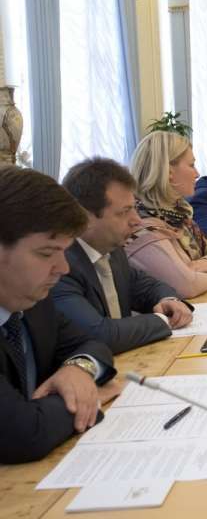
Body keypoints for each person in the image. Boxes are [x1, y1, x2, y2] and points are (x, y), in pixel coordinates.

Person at [0, 166, 120, 464]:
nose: (63, 268)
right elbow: (23, 434)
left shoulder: (32, 302)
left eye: (64, 252)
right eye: (46, 253)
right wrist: (85, 398)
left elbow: (92, 344)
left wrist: (78, 369)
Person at [52, 159, 194, 355]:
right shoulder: (60, 266)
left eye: (134, 207)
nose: (137, 220)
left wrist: (169, 300)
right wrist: (163, 319)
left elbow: (149, 286)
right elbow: (100, 335)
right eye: (124, 212)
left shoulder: (113, 250)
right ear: (85, 217)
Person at [126, 131, 207, 299]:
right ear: (168, 172)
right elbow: (186, 286)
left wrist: (205, 263)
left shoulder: (179, 217)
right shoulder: (141, 225)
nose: (197, 173)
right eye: (191, 165)